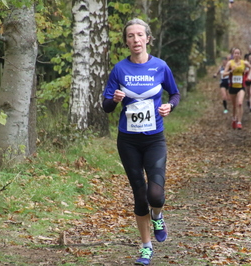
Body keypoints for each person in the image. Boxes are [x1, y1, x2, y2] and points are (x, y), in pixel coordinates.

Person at [102, 18, 180, 266]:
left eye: (139, 35)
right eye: (130, 36)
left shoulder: (160, 66)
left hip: (154, 138)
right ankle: (146, 248)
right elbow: (105, 107)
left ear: (147, 38)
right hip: (128, 141)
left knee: (155, 194)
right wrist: (114, 99)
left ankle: (158, 215)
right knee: (139, 196)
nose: (135, 40)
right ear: (126, 41)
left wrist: (170, 105)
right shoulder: (119, 69)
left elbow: (175, 93)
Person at [223, 48, 251, 130]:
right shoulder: (230, 63)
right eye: (235, 53)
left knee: (239, 103)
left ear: (240, 54)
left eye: (238, 53)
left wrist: (249, 76)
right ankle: (234, 118)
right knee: (234, 105)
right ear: (233, 54)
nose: (236, 55)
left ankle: (239, 122)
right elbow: (224, 74)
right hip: (232, 87)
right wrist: (231, 71)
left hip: (241, 87)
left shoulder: (244, 62)